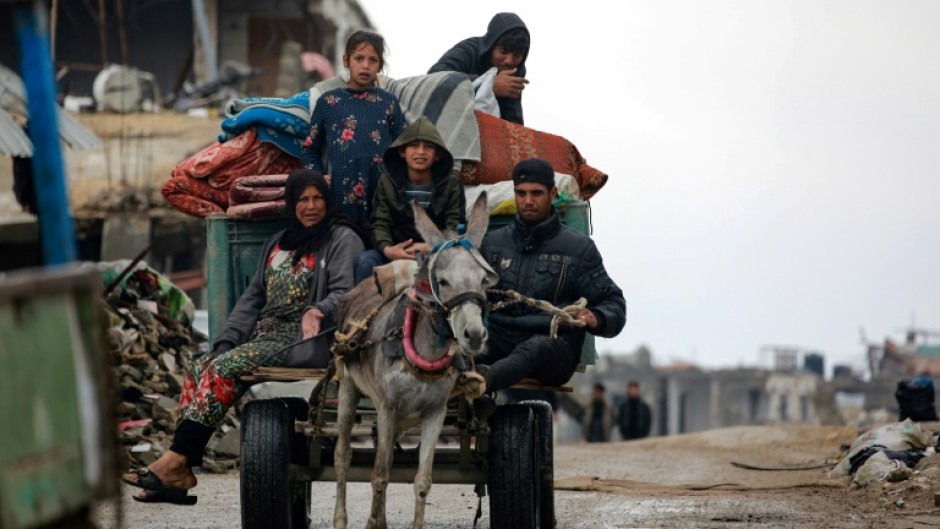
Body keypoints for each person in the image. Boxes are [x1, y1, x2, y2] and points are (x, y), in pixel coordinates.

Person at [121, 169, 365, 504]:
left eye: (318, 198)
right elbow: (252, 300)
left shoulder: (341, 238)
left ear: (327, 200)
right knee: (199, 367)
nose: (311, 206)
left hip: (304, 337)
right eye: (303, 199)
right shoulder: (278, 242)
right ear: (292, 203)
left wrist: (317, 310)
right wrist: (225, 341)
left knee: (222, 370)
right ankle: (178, 475)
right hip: (263, 335)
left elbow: (347, 293)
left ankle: (175, 461)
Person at [477, 158, 626, 392]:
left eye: (536, 193)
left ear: (553, 193)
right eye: (521, 193)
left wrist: (596, 317)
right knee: (462, 343)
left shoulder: (579, 249)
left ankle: (481, 382)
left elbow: (614, 303)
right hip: (500, 338)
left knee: (537, 347)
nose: (527, 201)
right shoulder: (492, 244)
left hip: (554, 347)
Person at [301, 29, 406, 225]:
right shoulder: (329, 101)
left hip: (382, 196)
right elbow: (309, 149)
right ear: (346, 60)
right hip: (341, 195)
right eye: (359, 58)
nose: (365, 66)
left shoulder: (388, 102)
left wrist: (397, 183)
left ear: (379, 65)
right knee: (347, 242)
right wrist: (318, 178)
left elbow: (402, 147)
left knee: (379, 245)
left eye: (372, 60)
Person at [353, 116, 465, 284]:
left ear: (438, 155)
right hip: (397, 250)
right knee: (365, 261)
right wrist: (388, 249)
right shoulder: (387, 181)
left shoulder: (451, 183)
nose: (420, 152)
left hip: (438, 251)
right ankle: (365, 311)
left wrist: (429, 247)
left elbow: (455, 226)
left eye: (428, 147)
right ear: (402, 151)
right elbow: (380, 222)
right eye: (413, 145)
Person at [428, 12, 530, 125]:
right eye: (503, 51)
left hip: (484, 127)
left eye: (517, 55)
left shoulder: (515, 70)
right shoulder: (468, 50)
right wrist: (488, 85)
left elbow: (512, 119)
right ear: (491, 46)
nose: (509, 61)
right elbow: (435, 76)